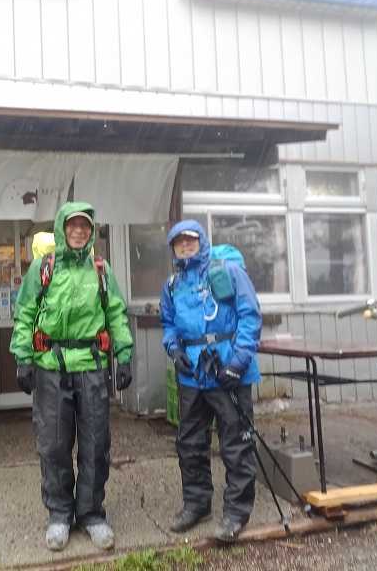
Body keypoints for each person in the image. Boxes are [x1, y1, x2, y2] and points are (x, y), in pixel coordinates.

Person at [10, 202, 134, 552]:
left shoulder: (101, 269)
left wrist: (124, 355)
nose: (79, 231)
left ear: (91, 232)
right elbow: (25, 313)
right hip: (50, 367)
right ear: (62, 229)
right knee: (53, 444)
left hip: (91, 366)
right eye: (73, 225)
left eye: (85, 226)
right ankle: (60, 514)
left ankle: (91, 514)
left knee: (95, 444)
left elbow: (116, 313)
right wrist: (23, 357)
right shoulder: (43, 268)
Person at [160, 220, 262, 542]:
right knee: (190, 442)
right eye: (179, 242)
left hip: (228, 371)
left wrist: (238, 363)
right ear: (173, 248)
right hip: (192, 374)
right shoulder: (173, 284)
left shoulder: (227, 272)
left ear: (201, 241)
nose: (185, 246)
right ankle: (196, 504)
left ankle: (236, 512)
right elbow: (168, 323)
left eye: (190, 240)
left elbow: (250, 315)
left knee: (235, 442)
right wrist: (174, 349)